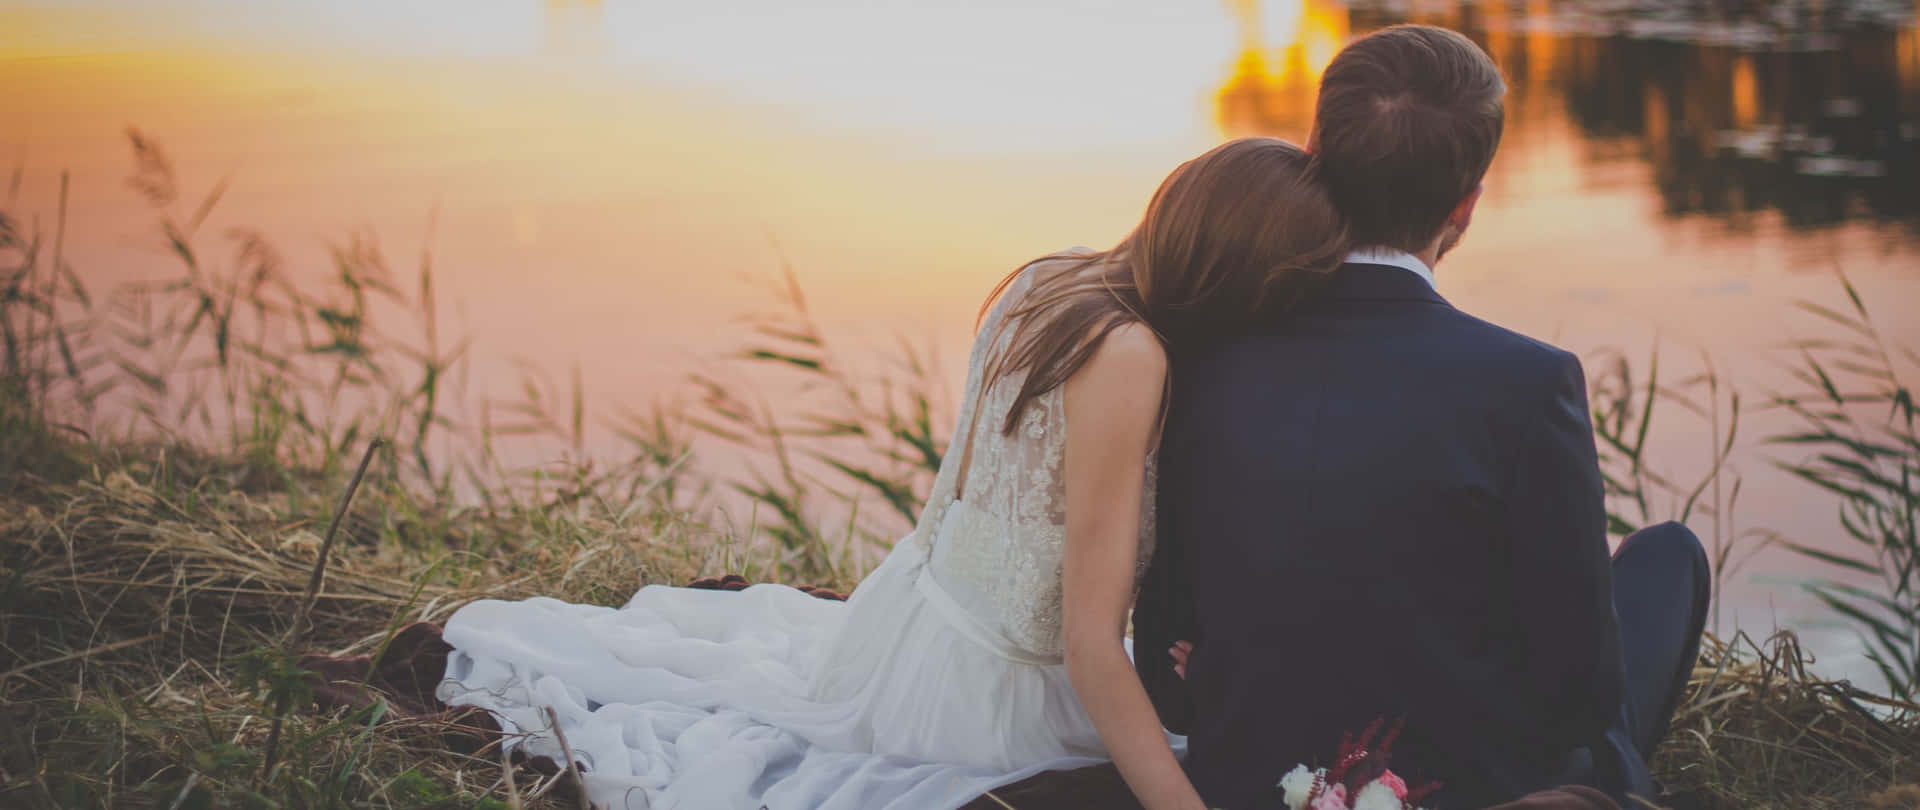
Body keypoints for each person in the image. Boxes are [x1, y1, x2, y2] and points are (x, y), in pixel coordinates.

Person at [437, 137, 1348, 810]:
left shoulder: (1056, 279)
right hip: (981, 698)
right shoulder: (1131, 357)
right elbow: (1086, 642)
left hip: (904, 625)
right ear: (1246, 279)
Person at [1134, 25, 1710, 810]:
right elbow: (1578, 693)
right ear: (1466, 205)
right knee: (1667, 560)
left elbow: (1164, 678)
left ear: (1315, 159)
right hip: (1457, 785)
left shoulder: (1201, 356)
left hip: (1252, 779)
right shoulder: (1529, 383)